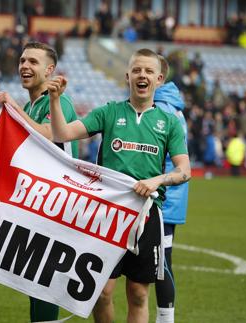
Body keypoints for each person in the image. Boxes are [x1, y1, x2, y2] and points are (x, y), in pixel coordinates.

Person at [47, 48, 191, 323]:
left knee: (138, 293)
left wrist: (158, 180)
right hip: (106, 214)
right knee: (102, 292)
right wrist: (55, 100)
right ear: (127, 76)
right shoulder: (109, 113)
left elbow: (184, 171)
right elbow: (61, 133)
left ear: (159, 80)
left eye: (149, 71)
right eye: (137, 70)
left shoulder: (169, 122)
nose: (142, 75)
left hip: (146, 216)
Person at [0, 41, 79, 322]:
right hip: (38, 200)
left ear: (50, 69)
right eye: (22, 61)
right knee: (34, 280)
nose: (24, 66)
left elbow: (49, 133)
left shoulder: (59, 102)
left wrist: (13, 108)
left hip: (58, 202)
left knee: (44, 280)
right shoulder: (32, 105)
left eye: (32, 62)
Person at [153, 55, 189, 323]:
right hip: (170, 197)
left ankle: (166, 319)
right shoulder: (173, 106)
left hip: (162, 198)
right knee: (163, 261)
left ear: (159, 77)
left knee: (161, 264)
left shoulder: (162, 110)